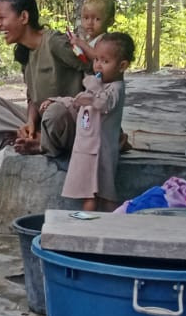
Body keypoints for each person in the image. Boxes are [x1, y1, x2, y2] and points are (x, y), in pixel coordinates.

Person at [0, 0, 87, 156]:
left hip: (71, 122)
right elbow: (32, 99)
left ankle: (42, 143)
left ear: (23, 17)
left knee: (55, 112)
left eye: (2, 18)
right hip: (43, 122)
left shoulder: (55, 42)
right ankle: (31, 135)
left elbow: (94, 70)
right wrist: (29, 122)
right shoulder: (25, 52)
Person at [53, 32, 134, 210]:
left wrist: (93, 86)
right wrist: (57, 101)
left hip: (100, 150)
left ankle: (95, 224)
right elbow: (80, 101)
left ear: (122, 66)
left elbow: (104, 104)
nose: (98, 65)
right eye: (96, 59)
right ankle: (105, 222)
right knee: (90, 192)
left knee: (99, 195)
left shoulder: (116, 88)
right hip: (86, 148)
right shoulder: (100, 85)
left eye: (105, 61)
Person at [68, 0, 117, 68]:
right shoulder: (89, 38)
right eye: (86, 18)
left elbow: (98, 58)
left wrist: (81, 44)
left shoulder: (104, 40)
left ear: (110, 22)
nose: (90, 23)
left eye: (97, 19)